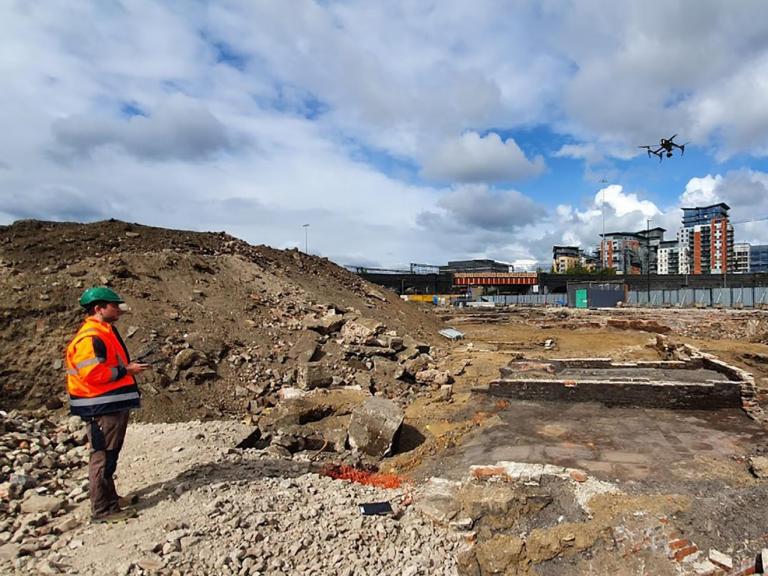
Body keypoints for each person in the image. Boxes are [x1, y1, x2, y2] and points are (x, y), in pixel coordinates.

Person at [65, 286, 148, 522]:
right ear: (99, 308)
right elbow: (91, 374)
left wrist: (127, 369)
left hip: (109, 404)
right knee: (103, 456)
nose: (118, 310)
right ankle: (103, 510)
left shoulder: (104, 331)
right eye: (114, 305)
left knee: (110, 454)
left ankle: (111, 499)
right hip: (100, 407)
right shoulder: (91, 336)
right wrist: (126, 370)